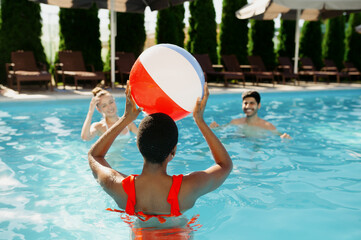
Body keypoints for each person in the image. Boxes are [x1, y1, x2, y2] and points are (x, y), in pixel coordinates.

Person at [88, 82, 232, 222]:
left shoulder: (119, 187)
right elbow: (225, 165)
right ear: (173, 151)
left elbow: (94, 156)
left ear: (139, 147)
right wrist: (200, 121)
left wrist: (126, 119)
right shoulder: (188, 187)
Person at [210, 90, 291, 139]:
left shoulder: (268, 126)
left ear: (258, 105)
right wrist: (215, 128)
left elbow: (281, 136)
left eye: (252, 103)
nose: (248, 106)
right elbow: (221, 130)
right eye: (245, 103)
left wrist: (285, 138)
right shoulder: (236, 122)